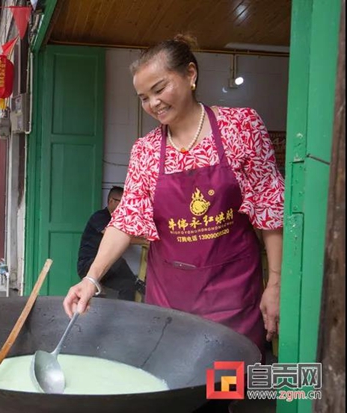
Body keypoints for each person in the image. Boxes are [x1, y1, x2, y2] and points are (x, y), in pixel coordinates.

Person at [63, 34, 283, 357]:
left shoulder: (242, 128)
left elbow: (270, 207)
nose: (153, 104)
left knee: (222, 393)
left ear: (190, 75)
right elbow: (124, 221)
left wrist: (276, 282)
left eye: (159, 88)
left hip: (233, 300)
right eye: (143, 97)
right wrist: (91, 279)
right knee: (174, 388)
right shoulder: (146, 151)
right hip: (170, 304)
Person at [77, 186, 138, 301]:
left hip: (106, 268)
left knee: (128, 285)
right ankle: (138, 283)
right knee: (118, 261)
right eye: (123, 203)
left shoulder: (118, 220)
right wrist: (145, 241)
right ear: (111, 201)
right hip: (87, 265)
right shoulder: (100, 216)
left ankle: (125, 315)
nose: (126, 207)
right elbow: (117, 236)